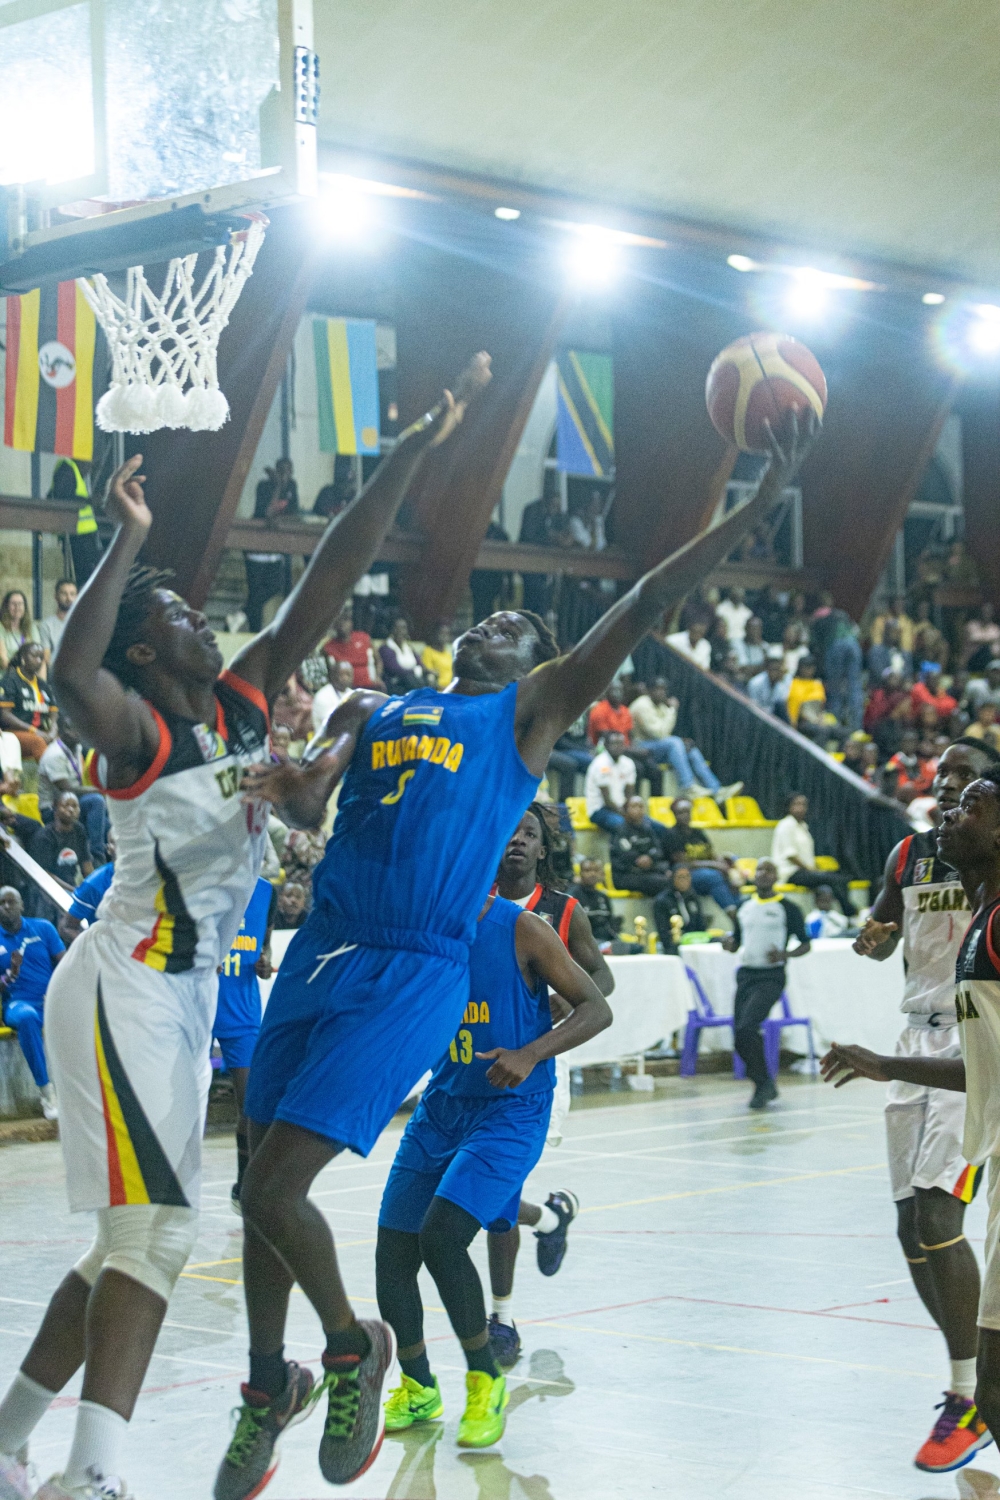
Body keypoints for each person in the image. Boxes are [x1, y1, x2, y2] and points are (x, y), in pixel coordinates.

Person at [220, 405, 817, 1498]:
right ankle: (269, 1378)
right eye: (486, 615)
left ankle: (352, 1347)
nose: (491, 623)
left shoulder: (526, 718)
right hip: (320, 949)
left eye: (513, 626)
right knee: (251, 1190)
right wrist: (294, 786)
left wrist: (756, 505)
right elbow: (316, 787)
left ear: (542, 671)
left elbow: (643, 604)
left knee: (275, 1189)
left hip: (410, 965)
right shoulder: (373, 697)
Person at [0, 352, 493, 1500]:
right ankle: (94, 1476)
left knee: (123, 1246)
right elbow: (72, 670)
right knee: (158, 1243)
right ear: (140, 646)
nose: (204, 619)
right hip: (124, 981)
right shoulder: (131, 728)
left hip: (178, 993)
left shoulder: (237, 699)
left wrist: (411, 450)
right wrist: (125, 540)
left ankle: (14, 1443)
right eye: (176, 612)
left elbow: (329, 573)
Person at [375, 892, 611, 1447]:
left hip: (513, 1107)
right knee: (392, 1253)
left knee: (442, 1236)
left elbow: (597, 1007)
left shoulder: (523, 929)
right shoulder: (421, 928)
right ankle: (418, 1385)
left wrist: (531, 1052)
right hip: (443, 1105)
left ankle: (485, 1378)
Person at [836, 740, 999, 1472]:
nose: (946, 795)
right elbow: (880, 933)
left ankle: (971, 1395)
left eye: (963, 787)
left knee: (939, 1215)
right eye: (941, 785)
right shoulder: (910, 855)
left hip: (971, 1047)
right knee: (910, 1226)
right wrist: (872, 938)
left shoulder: (984, 873)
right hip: (916, 1037)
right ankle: (966, 1376)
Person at [486, 804, 614, 1365]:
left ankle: (502, 1320)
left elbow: (602, 981)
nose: (517, 840)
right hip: (470, 1064)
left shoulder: (564, 912)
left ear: (543, 849)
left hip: (532, 1071)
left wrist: (565, 997)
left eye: (529, 833)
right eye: (509, 831)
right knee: (483, 1193)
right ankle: (552, 1216)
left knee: (493, 1196)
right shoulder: (470, 903)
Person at [722, 858, 810, 1108]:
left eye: (769, 870)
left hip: (771, 976)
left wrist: (785, 955)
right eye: (759, 869)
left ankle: (763, 1083)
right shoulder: (744, 907)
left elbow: (805, 943)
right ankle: (763, 1082)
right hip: (746, 974)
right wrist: (729, 944)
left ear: (776, 876)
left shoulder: (788, 908)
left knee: (749, 1026)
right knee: (739, 1034)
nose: (763, 874)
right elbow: (737, 941)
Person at [217, 876, 277, 1214]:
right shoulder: (203, 875)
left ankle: (244, 1188)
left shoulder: (267, 891)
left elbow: (263, 942)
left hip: (242, 1008)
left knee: (252, 1103)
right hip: (197, 1005)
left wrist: (263, 961)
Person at [0, 884, 63, 1120]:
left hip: (51, 1000)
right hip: (17, 1004)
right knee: (27, 1017)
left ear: (21, 905)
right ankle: (48, 1094)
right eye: (1, 903)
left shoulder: (43, 928)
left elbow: (65, 963)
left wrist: (59, 991)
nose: (6, 906)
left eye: (11, 901)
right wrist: (10, 974)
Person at [628, 677, 741, 803]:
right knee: (675, 742)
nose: (662, 692)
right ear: (649, 691)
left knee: (690, 749)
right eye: (657, 689)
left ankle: (716, 790)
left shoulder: (660, 705)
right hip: (641, 747)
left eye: (664, 689)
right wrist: (672, 710)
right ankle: (688, 787)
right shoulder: (642, 705)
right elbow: (660, 733)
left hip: (658, 747)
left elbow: (664, 733)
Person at [38, 719, 109, 864]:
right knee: (97, 800)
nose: (77, 733)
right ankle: (97, 857)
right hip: (53, 809)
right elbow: (67, 789)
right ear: (61, 731)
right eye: (71, 729)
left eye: (79, 728)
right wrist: (101, 790)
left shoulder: (75, 748)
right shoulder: (55, 754)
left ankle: (111, 860)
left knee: (108, 820)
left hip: (74, 802)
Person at [771, 793, 854, 915]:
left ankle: (840, 914)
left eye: (804, 805)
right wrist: (811, 870)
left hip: (805, 871)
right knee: (833, 880)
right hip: (790, 872)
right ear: (789, 807)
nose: (801, 808)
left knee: (840, 879)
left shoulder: (803, 826)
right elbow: (790, 855)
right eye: (797, 804)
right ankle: (851, 913)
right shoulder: (785, 825)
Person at [659, 796, 739, 919]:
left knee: (734, 877)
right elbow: (685, 863)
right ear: (674, 814)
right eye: (681, 812)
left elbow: (711, 854)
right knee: (713, 876)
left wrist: (724, 864)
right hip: (686, 875)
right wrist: (715, 865)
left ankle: (739, 909)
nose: (685, 815)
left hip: (704, 873)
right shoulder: (671, 835)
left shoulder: (698, 833)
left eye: (687, 811)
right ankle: (732, 912)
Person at [244, 459, 300, 633]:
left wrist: (281, 519)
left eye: (288, 472)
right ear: (276, 471)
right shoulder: (264, 486)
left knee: (275, 587)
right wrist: (277, 487)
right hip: (257, 547)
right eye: (282, 471)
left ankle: (242, 613)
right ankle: (253, 628)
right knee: (256, 591)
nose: (285, 476)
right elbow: (267, 512)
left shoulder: (292, 487)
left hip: (275, 548)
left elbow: (294, 514)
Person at [1, 642, 57, 761]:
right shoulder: (10, 680)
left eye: (41, 657)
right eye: (34, 656)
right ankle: (52, 778)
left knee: (65, 745)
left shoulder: (43, 685)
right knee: (38, 742)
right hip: (13, 733)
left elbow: (53, 712)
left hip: (40, 732)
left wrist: (52, 731)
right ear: (23, 657)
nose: (38, 660)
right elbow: (4, 715)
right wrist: (33, 731)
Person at [31, 790, 93, 897]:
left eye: (75, 806)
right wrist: (74, 891)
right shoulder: (44, 836)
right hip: (47, 890)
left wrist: (94, 887)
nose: (71, 809)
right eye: (66, 805)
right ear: (55, 808)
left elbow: (86, 864)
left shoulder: (79, 830)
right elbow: (45, 874)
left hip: (71, 886)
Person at [609, 796, 672, 896]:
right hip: (626, 875)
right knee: (662, 883)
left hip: (648, 871)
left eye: (641, 807)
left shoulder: (648, 829)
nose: (638, 810)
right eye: (634, 806)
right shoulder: (620, 831)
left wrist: (649, 858)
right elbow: (623, 855)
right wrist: (638, 859)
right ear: (625, 810)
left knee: (674, 875)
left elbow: (658, 850)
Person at [57, 843, 116, 948]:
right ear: (109, 849)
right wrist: (95, 949)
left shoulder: (151, 877)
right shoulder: (95, 884)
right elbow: (67, 927)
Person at [584, 731, 637, 834]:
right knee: (623, 825)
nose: (618, 746)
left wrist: (631, 813)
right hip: (599, 810)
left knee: (652, 826)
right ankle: (618, 849)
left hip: (620, 809)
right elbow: (607, 800)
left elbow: (629, 794)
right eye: (614, 743)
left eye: (621, 743)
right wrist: (626, 815)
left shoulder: (628, 763)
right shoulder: (601, 764)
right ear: (606, 745)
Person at [653, 863, 707, 953]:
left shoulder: (693, 897)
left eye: (687, 877)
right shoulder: (662, 901)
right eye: (680, 877)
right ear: (673, 879)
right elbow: (664, 933)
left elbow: (701, 926)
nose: (684, 881)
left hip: (695, 942)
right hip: (673, 945)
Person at [323, 604, 380, 690]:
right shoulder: (328, 647)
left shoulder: (364, 638)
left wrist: (377, 676)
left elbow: (378, 661)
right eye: (339, 621)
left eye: (346, 620)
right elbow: (329, 673)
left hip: (370, 685)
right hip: (347, 689)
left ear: (351, 623)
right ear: (334, 625)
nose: (342, 624)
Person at [567, 856, 621, 945]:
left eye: (596, 870)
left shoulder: (604, 897)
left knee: (636, 947)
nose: (592, 874)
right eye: (588, 871)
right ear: (580, 873)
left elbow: (609, 924)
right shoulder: (572, 896)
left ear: (601, 873)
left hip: (605, 940)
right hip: (583, 943)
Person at [38, 580, 79, 666]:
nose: (69, 598)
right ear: (56, 597)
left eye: (72, 594)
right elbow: (46, 658)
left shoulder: (84, 623)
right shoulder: (46, 625)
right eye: (64, 594)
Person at [379, 617, 425, 693]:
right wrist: (414, 671)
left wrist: (428, 671)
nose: (400, 631)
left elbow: (420, 664)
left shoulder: (409, 647)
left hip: (413, 682)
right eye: (397, 628)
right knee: (410, 681)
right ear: (391, 630)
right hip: (396, 684)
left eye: (403, 628)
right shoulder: (386, 648)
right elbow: (395, 669)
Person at [310, 661, 355, 736]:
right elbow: (334, 724)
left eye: (348, 674)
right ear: (333, 676)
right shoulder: (323, 696)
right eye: (342, 675)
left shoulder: (353, 694)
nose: (345, 678)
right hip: (327, 741)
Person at [0, 591, 40, 673]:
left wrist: (41, 684)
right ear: (6, 606)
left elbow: (38, 655)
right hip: (8, 675)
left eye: (20, 604)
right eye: (13, 604)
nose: (17, 607)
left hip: (29, 674)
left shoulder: (32, 627)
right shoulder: (1, 627)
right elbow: (3, 661)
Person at [785, 654, 826, 731]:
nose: (809, 670)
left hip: (817, 719)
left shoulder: (817, 683)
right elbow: (794, 705)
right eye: (806, 667)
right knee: (823, 731)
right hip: (801, 722)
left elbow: (821, 706)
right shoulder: (793, 683)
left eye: (811, 668)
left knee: (840, 730)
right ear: (800, 668)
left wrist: (820, 719)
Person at [746, 651, 792, 717]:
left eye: (778, 670)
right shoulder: (755, 683)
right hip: (756, 715)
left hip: (773, 717)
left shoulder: (781, 685)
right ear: (767, 670)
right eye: (774, 669)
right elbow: (752, 705)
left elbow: (780, 706)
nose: (777, 673)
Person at [963, 602, 1000, 672]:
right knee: (985, 649)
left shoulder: (995, 629)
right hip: (973, 659)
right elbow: (973, 639)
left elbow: (997, 648)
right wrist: (990, 641)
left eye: (988, 612)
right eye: (984, 612)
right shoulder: (971, 625)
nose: (986, 614)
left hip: (991, 660)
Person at [421, 623, 454, 689]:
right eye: (442, 633)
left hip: (452, 689)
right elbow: (428, 675)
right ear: (435, 634)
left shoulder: (448, 654)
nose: (445, 636)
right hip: (439, 690)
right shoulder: (428, 651)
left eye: (447, 633)